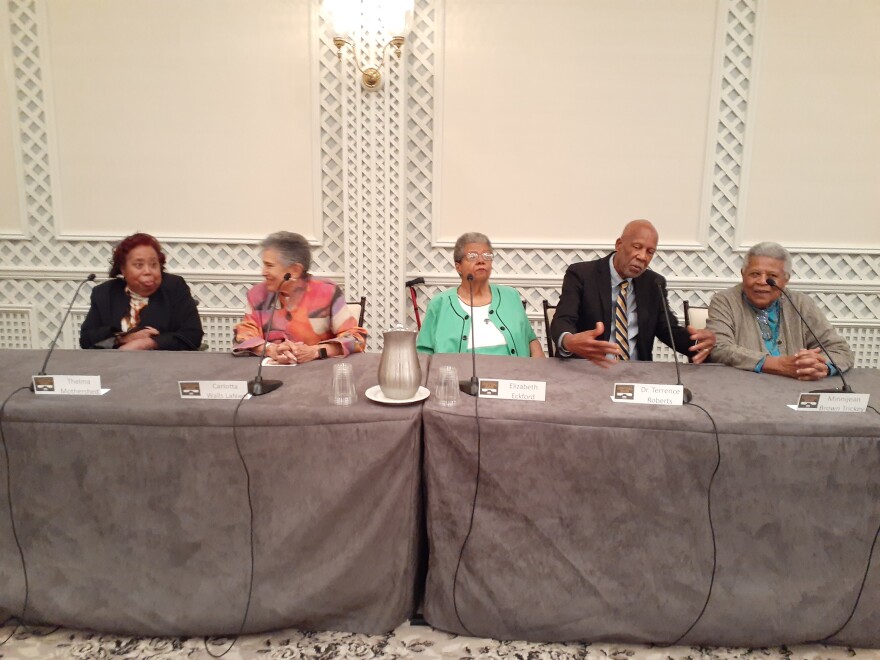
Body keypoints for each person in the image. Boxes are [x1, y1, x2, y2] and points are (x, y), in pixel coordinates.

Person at [551, 219, 715, 366]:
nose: (642, 257)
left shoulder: (653, 284)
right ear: (619, 244)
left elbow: (669, 331)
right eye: (637, 247)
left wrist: (699, 343)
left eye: (650, 252)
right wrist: (568, 340)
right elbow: (563, 319)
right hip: (591, 369)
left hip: (637, 374)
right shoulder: (582, 274)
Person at [706, 242, 853, 379]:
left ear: (786, 279)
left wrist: (819, 366)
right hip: (743, 385)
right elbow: (719, 348)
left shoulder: (801, 303)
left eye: (772, 276)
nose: (762, 282)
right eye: (755, 274)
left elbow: (839, 350)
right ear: (743, 274)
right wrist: (778, 365)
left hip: (796, 388)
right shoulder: (725, 300)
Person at [233, 231, 366, 363]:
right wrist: (271, 349)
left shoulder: (326, 292)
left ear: (295, 271)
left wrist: (315, 351)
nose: (263, 272)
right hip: (270, 374)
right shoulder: (258, 294)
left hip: (318, 372)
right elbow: (243, 336)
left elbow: (356, 339)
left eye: (269, 266)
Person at [417, 232, 544, 358]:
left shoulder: (511, 296)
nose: (481, 261)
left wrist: (537, 374)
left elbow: (531, 341)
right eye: (472, 256)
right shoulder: (440, 303)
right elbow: (423, 352)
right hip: (460, 377)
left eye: (487, 255)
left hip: (514, 376)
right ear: (458, 267)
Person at [80, 232, 204, 350]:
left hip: (165, 366)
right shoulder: (105, 293)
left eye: (154, 264)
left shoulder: (174, 287)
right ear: (123, 269)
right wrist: (123, 339)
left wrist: (147, 343)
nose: (148, 271)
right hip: (113, 366)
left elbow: (193, 334)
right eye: (139, 265)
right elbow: (86, 339)